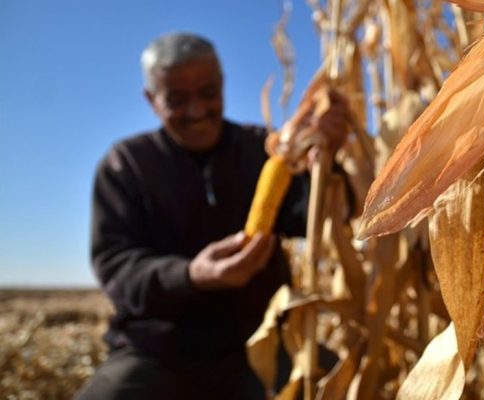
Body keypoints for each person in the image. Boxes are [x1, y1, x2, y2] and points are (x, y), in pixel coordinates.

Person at [76, 32, 349, 400]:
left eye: (208, 93)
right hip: (159, 348)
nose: (196, 111)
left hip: (260, 337)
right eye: (176, 100)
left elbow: (320, 217)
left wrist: (327, 165)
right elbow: (117, 266)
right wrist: (191, 276)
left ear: (222, 84)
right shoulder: (126, 165)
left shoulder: (261, 149)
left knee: (337, 384)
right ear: (151, 100)